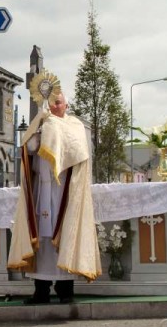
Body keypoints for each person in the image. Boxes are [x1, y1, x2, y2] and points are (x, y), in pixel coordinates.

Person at [8, 92, 101, 304]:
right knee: (41, 238)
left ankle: (65, 290)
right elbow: (29, 148)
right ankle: (41, 291)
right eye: (50, 103)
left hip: (62, 193)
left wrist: (55, 129)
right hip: (42, 190)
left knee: (64, 236)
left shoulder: (74, 125)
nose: (54, 107)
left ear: (66, 105)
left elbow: (78, 152)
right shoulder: (41, 123)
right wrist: (41, 128)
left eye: (57, 102)